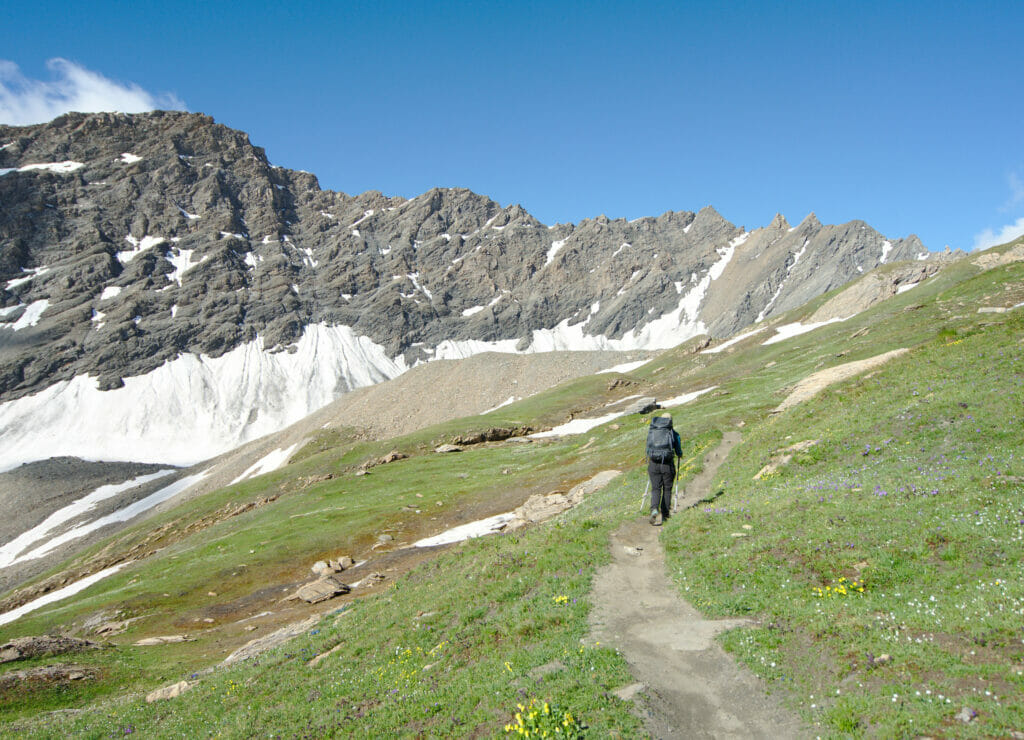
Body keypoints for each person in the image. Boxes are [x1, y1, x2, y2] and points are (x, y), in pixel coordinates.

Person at [645, 412, 682, 525]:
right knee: (667, 489)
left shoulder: (653, 432)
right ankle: (665, 515)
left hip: (653, 464)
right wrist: (679, 454)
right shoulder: (674, 434)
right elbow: (679, 451)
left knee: (656, 488)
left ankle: (654, 509)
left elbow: (648, 450)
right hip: (667, 465)